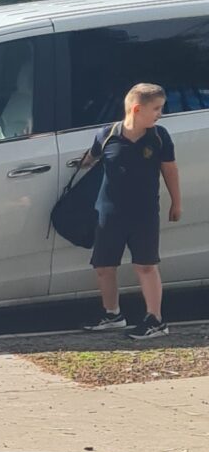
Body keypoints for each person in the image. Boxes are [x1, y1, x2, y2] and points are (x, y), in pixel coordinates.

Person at [77, 82, 181, 339]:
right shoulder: (107, 135)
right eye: (156, 109)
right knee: (104, 265)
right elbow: (90, 158)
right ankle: (112, 314)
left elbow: (170, 170)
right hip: (109, 212)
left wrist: (176, 202)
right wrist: (79, 163)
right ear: (136, 109)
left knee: (146, 265)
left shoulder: (159, 137)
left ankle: (155, 319)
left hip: (144, 213)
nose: (160, 114)